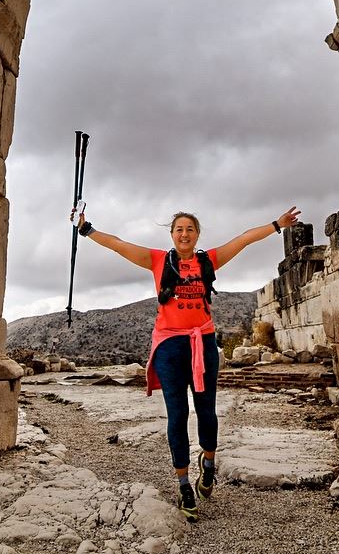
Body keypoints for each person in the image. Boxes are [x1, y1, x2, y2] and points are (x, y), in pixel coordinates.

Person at [73, 205, 301, 521]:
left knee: (206, 410)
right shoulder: (157, 260)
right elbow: (119, 244)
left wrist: (278, 224)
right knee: (177, 415)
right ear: (172, 235)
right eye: (179, 229)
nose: (184, 233)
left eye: (190, 229)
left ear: (196, 235)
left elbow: (244, 239)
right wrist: (86, 229)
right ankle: (183, 485)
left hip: (203, 342)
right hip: (169, 345)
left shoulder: (207, 260)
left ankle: (207, 465)